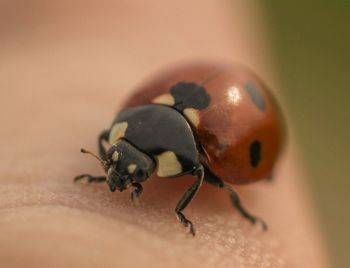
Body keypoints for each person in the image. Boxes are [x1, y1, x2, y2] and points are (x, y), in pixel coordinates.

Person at [0, 0, 329, 267]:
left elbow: (199, 171)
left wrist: (179, 209)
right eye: (118, 162)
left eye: (130, 170)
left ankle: (191, 211)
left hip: (215, 99)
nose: (120, 175)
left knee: (219, 181)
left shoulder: (196, 150)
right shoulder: (130, 121)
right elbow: (108, 136)